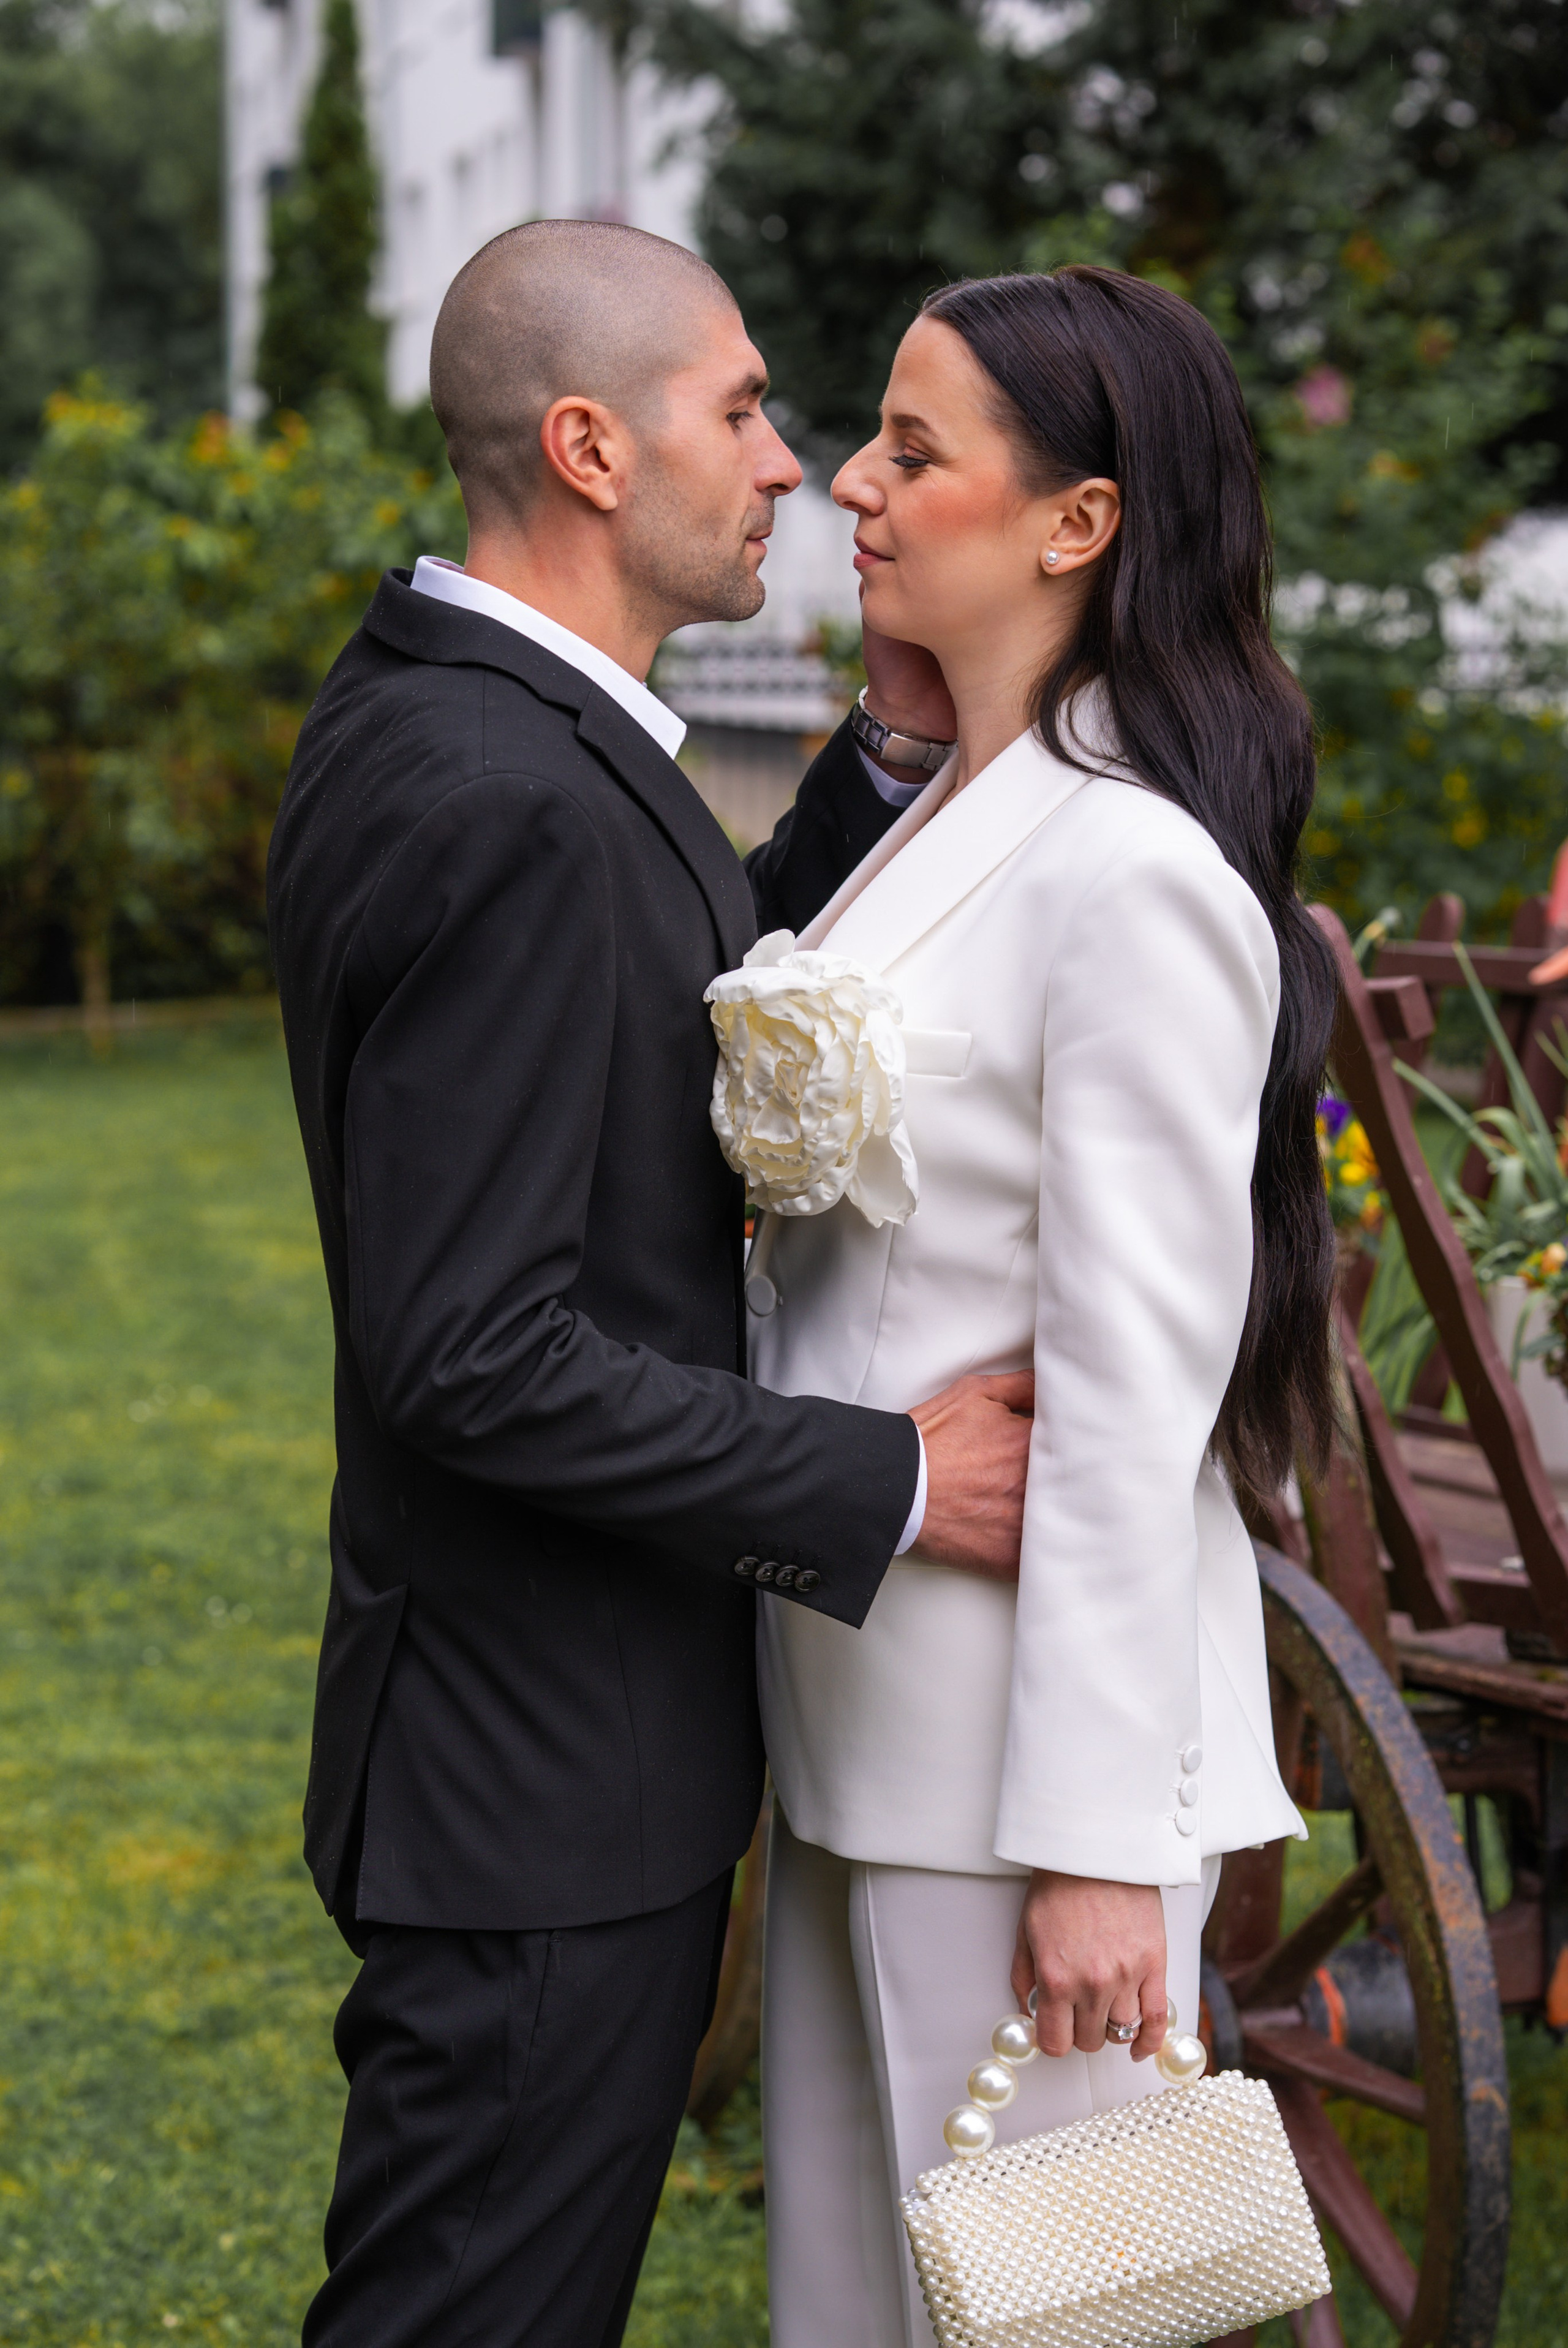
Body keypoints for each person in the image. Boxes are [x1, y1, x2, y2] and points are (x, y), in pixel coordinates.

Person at [266, 220, 1034, 2348]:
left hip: (523, 1739)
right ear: (592, 448)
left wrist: (874, 778)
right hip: (538, 1771)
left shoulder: (467, 710)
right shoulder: (505, 791)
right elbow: (470, 1349)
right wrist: (884, 1479)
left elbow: (644, 999)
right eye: (743, 407)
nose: (791, 464)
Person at [752, 265, 1339, 2348]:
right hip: (859, 1734)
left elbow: (1126, 1388)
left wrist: (1099, 1849)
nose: (852, 480)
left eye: (917, 449)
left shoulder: (1136, 875)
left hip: (1021, 1793)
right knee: (854, 2311)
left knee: (1045, 2329)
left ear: (1077, 522)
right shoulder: (951, 826)